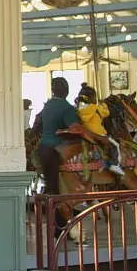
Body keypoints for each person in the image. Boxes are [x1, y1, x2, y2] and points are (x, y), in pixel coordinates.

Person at [32, 77, 79, 238]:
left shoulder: (47, 105)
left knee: (53, 187)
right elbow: (75, 128)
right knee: (58, 191)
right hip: (56, 148)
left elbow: (37, 125)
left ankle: (58, 227)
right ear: (66, 90)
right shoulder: (67, 108)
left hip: (43, 147)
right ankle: (60, 228)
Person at [75, 83, 124, 176]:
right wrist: (103, 104)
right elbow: (107, 113)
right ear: (93, 98)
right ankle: (115, 165)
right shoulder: (96, 108)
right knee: (115, 145)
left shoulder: (78, 109)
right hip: (99, 134)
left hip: (87, 135)